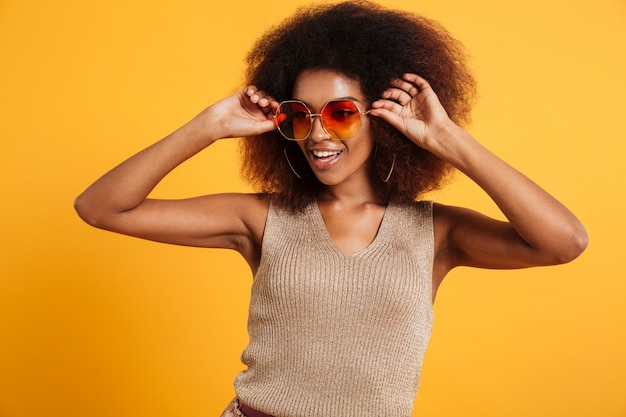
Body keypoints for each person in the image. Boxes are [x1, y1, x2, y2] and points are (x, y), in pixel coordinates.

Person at [74, 1, 588, 416]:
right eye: (301, 115)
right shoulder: (259, 219)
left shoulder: (435, 232)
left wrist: (448, 139)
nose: (318, 133)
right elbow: (101, 207)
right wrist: (210, 124)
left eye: (341, 113)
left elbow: (564, 242)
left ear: (381, 117)